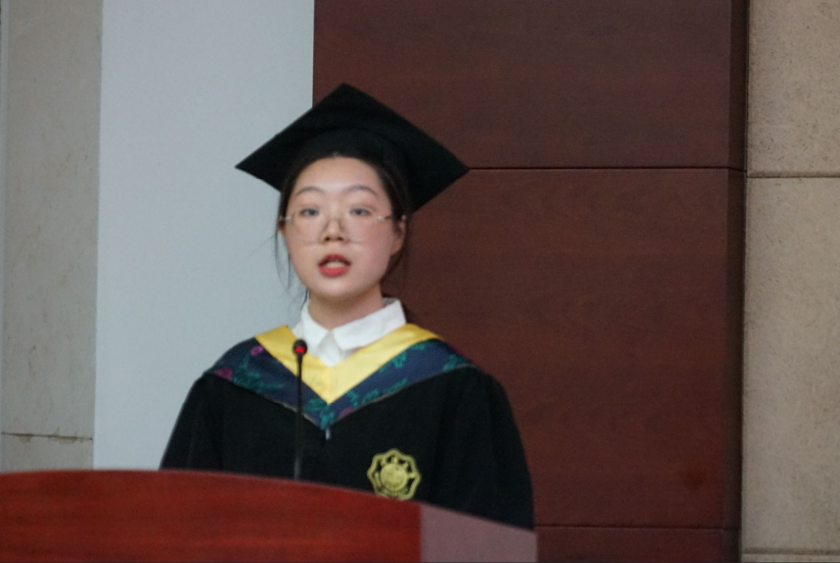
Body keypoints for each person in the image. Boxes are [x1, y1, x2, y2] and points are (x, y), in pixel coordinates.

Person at [160, 84, 534, 529]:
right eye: (310, 211)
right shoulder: (233, 387)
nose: (332, 230)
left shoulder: (453, 390)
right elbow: (175, 537)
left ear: (397, 232)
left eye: (358, 210)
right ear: (284, 231)